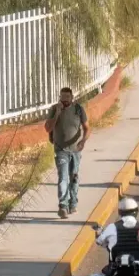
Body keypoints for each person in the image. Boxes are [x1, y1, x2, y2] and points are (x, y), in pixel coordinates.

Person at [45, 86, 87, 219]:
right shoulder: (53, 109)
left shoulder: (78, 109)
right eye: (62, 97)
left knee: (73, 177)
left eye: (67, 97)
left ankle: (72, 202)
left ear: (72, 98)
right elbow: (48, 128)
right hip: (61, 149)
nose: (64, 100)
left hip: (75, 150)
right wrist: (57, 114)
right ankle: (62, 206)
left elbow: (87, 128)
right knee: (63, 177)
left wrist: (82, 141)